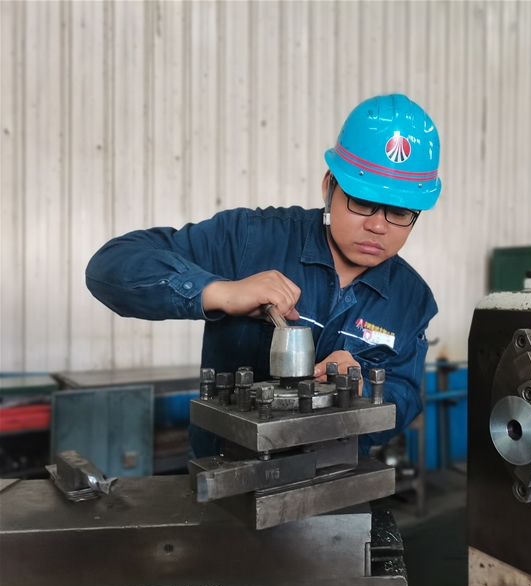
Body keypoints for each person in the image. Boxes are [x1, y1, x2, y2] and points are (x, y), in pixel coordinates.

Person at [85, 93, 441, 458]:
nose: (378, 226)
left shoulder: (412, 299)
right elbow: (109, 267)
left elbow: (405, 396)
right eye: (362, 202)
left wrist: (363, 387)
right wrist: (220, 292)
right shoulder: (250, 240)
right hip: (227, 471)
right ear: (329, 186)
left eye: (400, 212)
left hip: (336, 477)